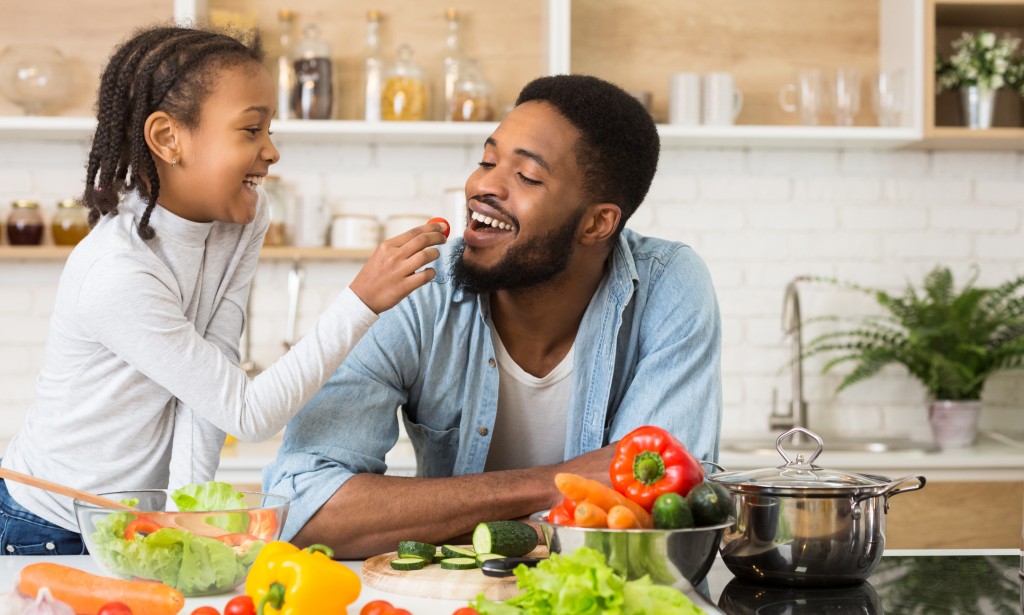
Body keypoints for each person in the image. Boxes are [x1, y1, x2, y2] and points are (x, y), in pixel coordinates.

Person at [0, 25, 446, 555]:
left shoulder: (242, 220)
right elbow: (247, 413)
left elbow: (210, 390)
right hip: (49, 524)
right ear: (168, 138)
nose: (272, 151)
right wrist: (361, 301)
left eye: (269, 130)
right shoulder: (116, 271)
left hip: (132, 523)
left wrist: (186, 519)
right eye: (251, 129)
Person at [264, 74, 722, 558]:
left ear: (596, 223)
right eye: (487, 160)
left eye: (527, 176)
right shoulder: (418, 290)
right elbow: (302, 510)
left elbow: (656, 519)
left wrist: (435, 519)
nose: (483, 185)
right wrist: (555, 482)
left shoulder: (668, 285)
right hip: (443, 592)